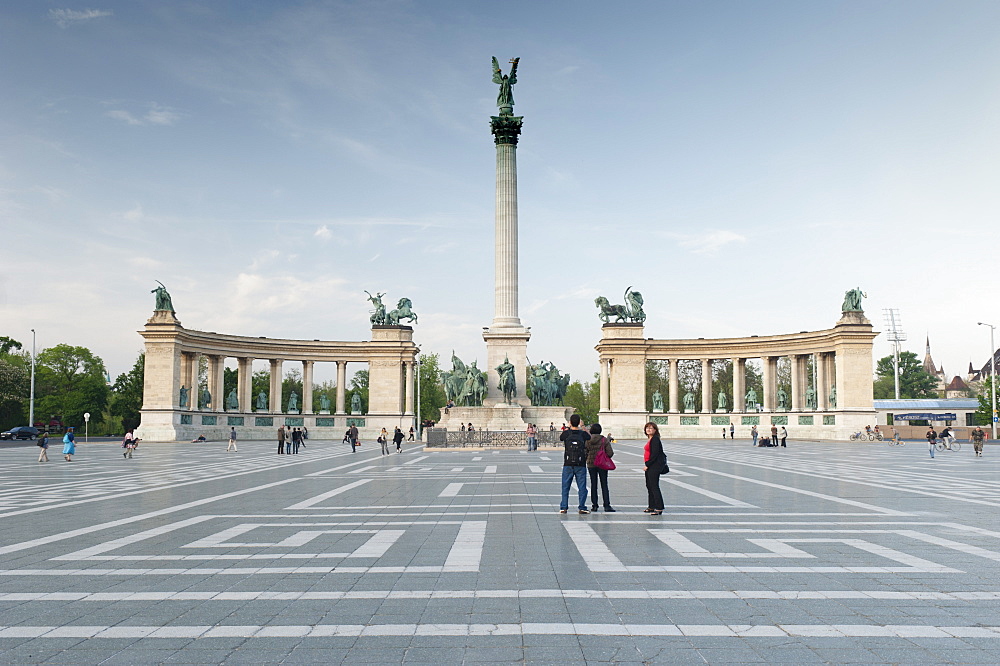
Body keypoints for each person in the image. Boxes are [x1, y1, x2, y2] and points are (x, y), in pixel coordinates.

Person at [558, 414, 590, 514]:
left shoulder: (567, 433)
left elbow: (561, 437)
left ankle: (564, 507)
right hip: (580, 463)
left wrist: (568, 427)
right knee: (582, 486)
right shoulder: (582, 434)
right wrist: (583, 426)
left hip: (568, 463)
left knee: (565, 486)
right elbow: (589, 436)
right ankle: (582, 507)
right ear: (579, 422)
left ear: (570, 422)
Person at [585, 423, 615, 512]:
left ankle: (594, 505)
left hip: (591, 464)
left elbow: (584, 452)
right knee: (604, 485)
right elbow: (610, 453)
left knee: (593, 485)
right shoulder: (604, 440)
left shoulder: (587, 440)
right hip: (602, 464)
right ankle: (607, 505)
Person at [642, 422, 666, 516]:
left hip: (654, 466)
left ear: (655, 430)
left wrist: (647, 464)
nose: (648, 430)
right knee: (649, 486)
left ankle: (659, 508)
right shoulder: (651, 439)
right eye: (647, 428)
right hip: (651, 465)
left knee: (654, 486)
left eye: (651, 428)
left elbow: (655, 454)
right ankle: (651, 506)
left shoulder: (655, 439)